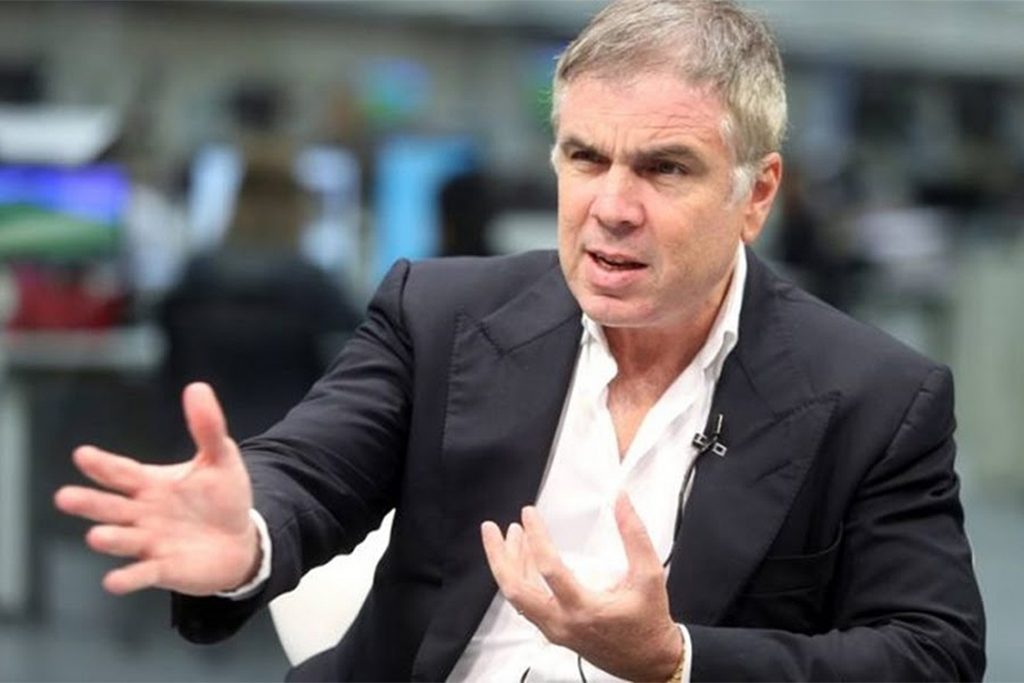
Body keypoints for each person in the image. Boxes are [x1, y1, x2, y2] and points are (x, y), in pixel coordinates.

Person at [54, 0, 985, 680]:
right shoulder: (440, 313)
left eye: (665, 168)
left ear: (757, 193)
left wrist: (677, 659)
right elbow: (312, 467)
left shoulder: (875, 397)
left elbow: (933, 652)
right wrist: (252, 531)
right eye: (586, 157)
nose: (611, 207)